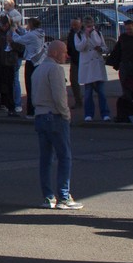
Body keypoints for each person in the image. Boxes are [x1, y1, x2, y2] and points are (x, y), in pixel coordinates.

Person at [32, 40, 82, 210]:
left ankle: (48, 197)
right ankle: (64, 196)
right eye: (64, 52)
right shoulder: (55, 69)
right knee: (64, 157)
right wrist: (66, 114)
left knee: (45, 159)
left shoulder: (38, 70)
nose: (66, 55)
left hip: (40, 115)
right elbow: (59, 97)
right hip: (54, 116)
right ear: (54, 53)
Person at [74, 17, 111, 121]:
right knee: (88, 92)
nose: (89, 27)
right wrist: (85, 37)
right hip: (87, 66)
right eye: (87, 25)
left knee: (101, 92)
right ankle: (88, 114)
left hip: (97, 64)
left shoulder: (98, 33)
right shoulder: (78, 35)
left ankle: (105, 114)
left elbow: (105, 47)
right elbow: (79, 48)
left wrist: (101, 49)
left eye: (91, 25)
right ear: (83, 25)